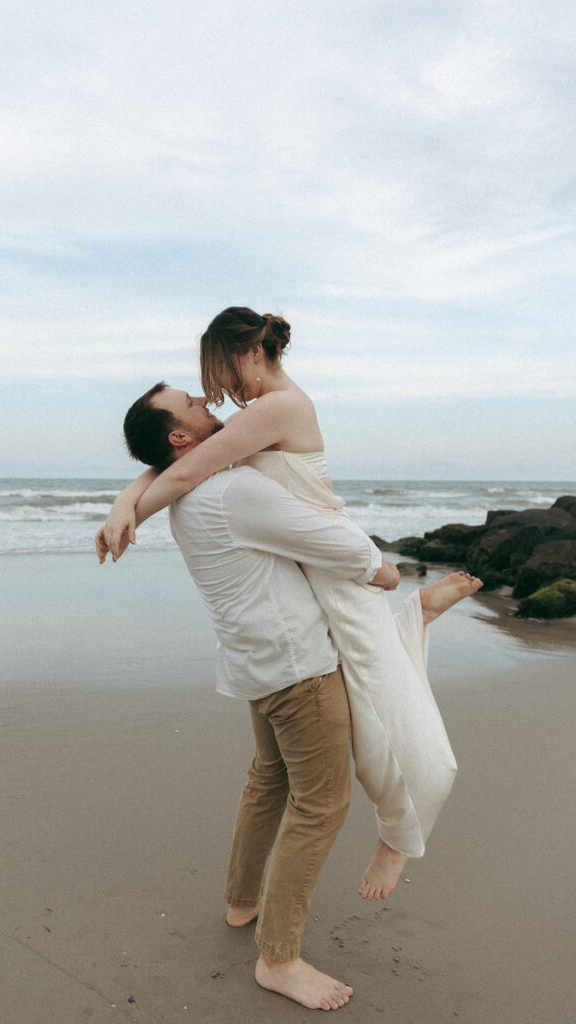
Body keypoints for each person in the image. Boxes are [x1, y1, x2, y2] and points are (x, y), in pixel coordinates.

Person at [97, 307, 482, 900]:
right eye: (198, 391)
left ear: (249, 353)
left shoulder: (277, 408)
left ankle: (400, 836)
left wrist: (128, 514)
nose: (212, 391)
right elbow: (170, 466)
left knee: (384, 699)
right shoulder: (255, 414)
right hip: (314, 566)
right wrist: (126, 499)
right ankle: (417, 617)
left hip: (331, 560)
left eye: (217, 370)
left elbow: (179, 473)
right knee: (366, 687)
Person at [102, 380, 402, 1010]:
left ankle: (243, 902)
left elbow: (169, 476)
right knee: (321, 805)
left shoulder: (188, 492)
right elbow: (333, 541)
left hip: (254, 662)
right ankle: (279, 958)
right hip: (298, 667)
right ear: (180, 437)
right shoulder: (232, 489)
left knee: (269, 779)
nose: (210, 405)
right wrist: (382, 569)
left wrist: (130, 494)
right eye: (194, 405)